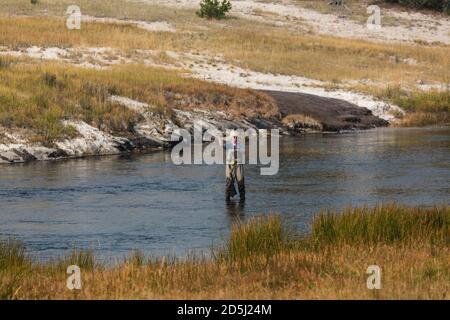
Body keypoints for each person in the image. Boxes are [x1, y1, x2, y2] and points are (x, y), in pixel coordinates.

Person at [225, 131, 245, 202]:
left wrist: (236, 147)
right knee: (229, 182)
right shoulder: (228, 144)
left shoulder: (241, 145)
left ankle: (242, 199)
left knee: (241, 182)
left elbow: (242, 151)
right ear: (231, 138)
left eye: (236, 137)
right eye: (234, 137)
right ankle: (227, 199)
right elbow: (224, 147)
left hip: (239, 165)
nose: (235, 138)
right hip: (229, 165)